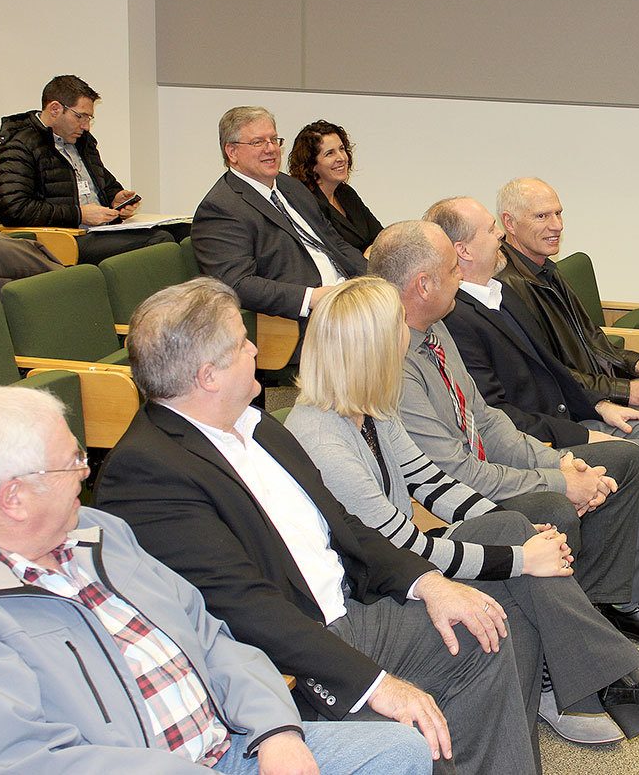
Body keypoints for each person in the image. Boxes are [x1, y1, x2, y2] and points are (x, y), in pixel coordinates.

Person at [94, 277, 535, 774]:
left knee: (484, 624)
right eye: (242, 342)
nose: (256, 348)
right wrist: (375, 683)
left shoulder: (258, 427)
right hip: (289, 658)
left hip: (348, 610)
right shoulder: (148, 471)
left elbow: (346, 527)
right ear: (208, 375)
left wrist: (428, 583)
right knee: (411, 732)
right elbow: (240, 607)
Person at [285, 276, 639, 744]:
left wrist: (517, 529)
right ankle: (614, 681)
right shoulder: (323, 438)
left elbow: (431, 482)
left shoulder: (368, 409)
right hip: (376, 585)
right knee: (518, 550)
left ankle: (607, 682)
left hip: (401, 558)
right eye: (397, 331)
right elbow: (397, 549)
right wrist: (522, 556)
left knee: (512, 525)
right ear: (372, 349)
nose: (406, 339)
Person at [0, 386, 431, 774]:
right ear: (14, 497)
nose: (86, 472)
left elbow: (210, 635)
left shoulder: (99, 533)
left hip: (232, 746)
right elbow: (31, 762)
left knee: (397, 751)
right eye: (71, 462)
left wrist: (274, 728)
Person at [369, 221, 639, 650]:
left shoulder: (435, 329)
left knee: (626, 458)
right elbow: (454, 472)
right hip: (448, 496)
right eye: (452, 270)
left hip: (488, 464)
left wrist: (557, 463)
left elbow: (487, 419)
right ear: (423, 285)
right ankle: (580, 628)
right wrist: (560, 481)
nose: (460, 277)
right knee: (554, 505)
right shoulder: (395, 359)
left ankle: (613, 599)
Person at [431, 196, 639, 580]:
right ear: (464, 249)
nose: (556, 224)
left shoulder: (508, 289)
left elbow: (567, 357)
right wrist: (596, 413)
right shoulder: (468, 310)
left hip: (575, 402)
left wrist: (624, 380)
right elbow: (498, 415)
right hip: (545, 428)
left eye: (558, 213)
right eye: (494, 230)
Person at [191, 106, 366, 338]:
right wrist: (311, 298)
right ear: (231, 152)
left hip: (344, 297)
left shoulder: (290, 186)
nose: (271, 149)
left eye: (274, 139)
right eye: (258, 142)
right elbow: (237, 284)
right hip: (301, 322)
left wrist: (377, 275)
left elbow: (334, 242)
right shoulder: (220, 208)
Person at [0, 74, 174, 265]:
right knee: (160, 241)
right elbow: (14, 209)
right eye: (80, 116)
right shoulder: (19, 147)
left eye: (89, 118)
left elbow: (105, 182)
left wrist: (116, 198)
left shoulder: (82, 142)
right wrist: (79, 214)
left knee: (183, 232)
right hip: (66, 239)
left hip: (99, 231)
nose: (86, 126)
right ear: (55, 109)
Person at [287, 120, 384, 253]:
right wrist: (368, 254)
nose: (341, 158)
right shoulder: (307, 203)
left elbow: (380, 236)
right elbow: (335, 252)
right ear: (312, 165)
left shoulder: (345, 192)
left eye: (342, 149)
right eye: (330, 153)